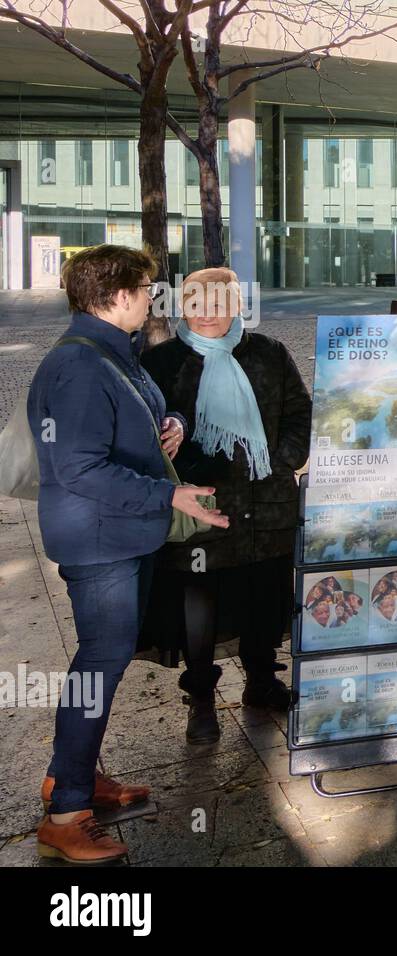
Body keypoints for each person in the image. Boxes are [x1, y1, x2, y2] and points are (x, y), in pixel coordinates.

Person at [27, 245, 228, 864]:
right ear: (117, 296)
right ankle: (66, 815)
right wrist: (173, 493)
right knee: (99, 667)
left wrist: (169, 423)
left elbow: (140, 409)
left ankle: (74, 778)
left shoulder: (110, 351)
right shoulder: (81, 366)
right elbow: (79, 466)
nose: (152, 299)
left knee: (102, 665)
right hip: (101, 541)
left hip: (117, 536)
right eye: (145, 289)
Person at [141, 266, 311, 744]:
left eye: (221, 302)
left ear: (239, 305)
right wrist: (189, 458)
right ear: (182, 306)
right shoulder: (163, 362)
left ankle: (262, 680)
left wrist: (281, 460)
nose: (209, 312)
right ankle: (200, 698)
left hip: (268, 502)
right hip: (203, 507)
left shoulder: (269, 353)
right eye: (198, 302)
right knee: (200, 607)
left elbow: (300, 412)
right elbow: (147, 435)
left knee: (267, 597)